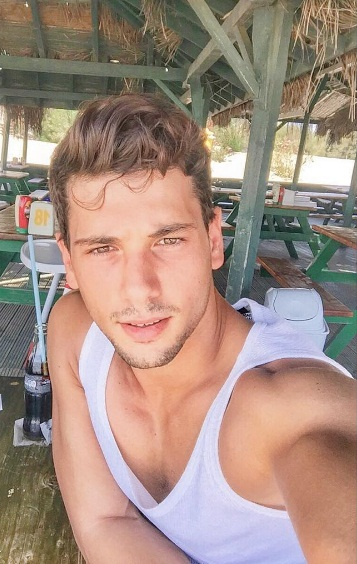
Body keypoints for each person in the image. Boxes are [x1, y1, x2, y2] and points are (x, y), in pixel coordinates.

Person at [47, 93, 356, 564]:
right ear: (69, 261)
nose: (139, 290)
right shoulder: (74, 334)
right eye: (103, 249)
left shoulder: (290, 407)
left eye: (167, 240)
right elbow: (106, 521)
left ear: (213, 239)